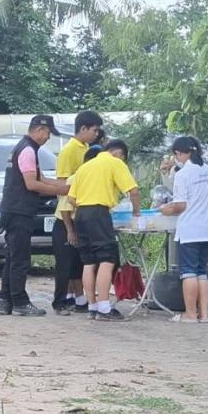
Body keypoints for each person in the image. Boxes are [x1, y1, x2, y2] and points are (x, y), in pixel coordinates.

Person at [0, 115, 70, 317]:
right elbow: (32, 184)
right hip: (19, 211)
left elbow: (41, 177)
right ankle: (20, 301)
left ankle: (5, 300)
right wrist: (62, 192)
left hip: (12, 209)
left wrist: (65, 186)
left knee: (12, 256)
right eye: (47, 133)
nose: (48, 138)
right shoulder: (28, 150)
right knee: (20, 259)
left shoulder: (24, 148)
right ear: (38, 130)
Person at [67, 138, 140, 322]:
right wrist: (137, 214)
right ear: (119, 153)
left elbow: (71, 199)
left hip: (81, 214)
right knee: (107, 259)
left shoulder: (85, 167)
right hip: (98, 213)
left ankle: (92, 306)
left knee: (89, 261)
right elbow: (133, 191)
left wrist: (87, 204)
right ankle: (105, 308)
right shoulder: (114, 163)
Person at [159, 136, 208, 323]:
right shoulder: (206, 169)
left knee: (189, 272)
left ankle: (191, 314)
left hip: (191, 230)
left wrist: (164, 209)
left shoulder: (183, 174)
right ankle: (204, 315)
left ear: (179, 153)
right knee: (201, 272)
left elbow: (180, 206)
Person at [52, 111, 103, 315]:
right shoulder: (69, 151)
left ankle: (79, 299)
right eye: (94, 130)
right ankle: (59, 301)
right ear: (83, 128)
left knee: (77, 263)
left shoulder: (87, 149)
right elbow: (63, 186)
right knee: (64, 265)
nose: (96, 134)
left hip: (80, 215)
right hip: (66, 216)